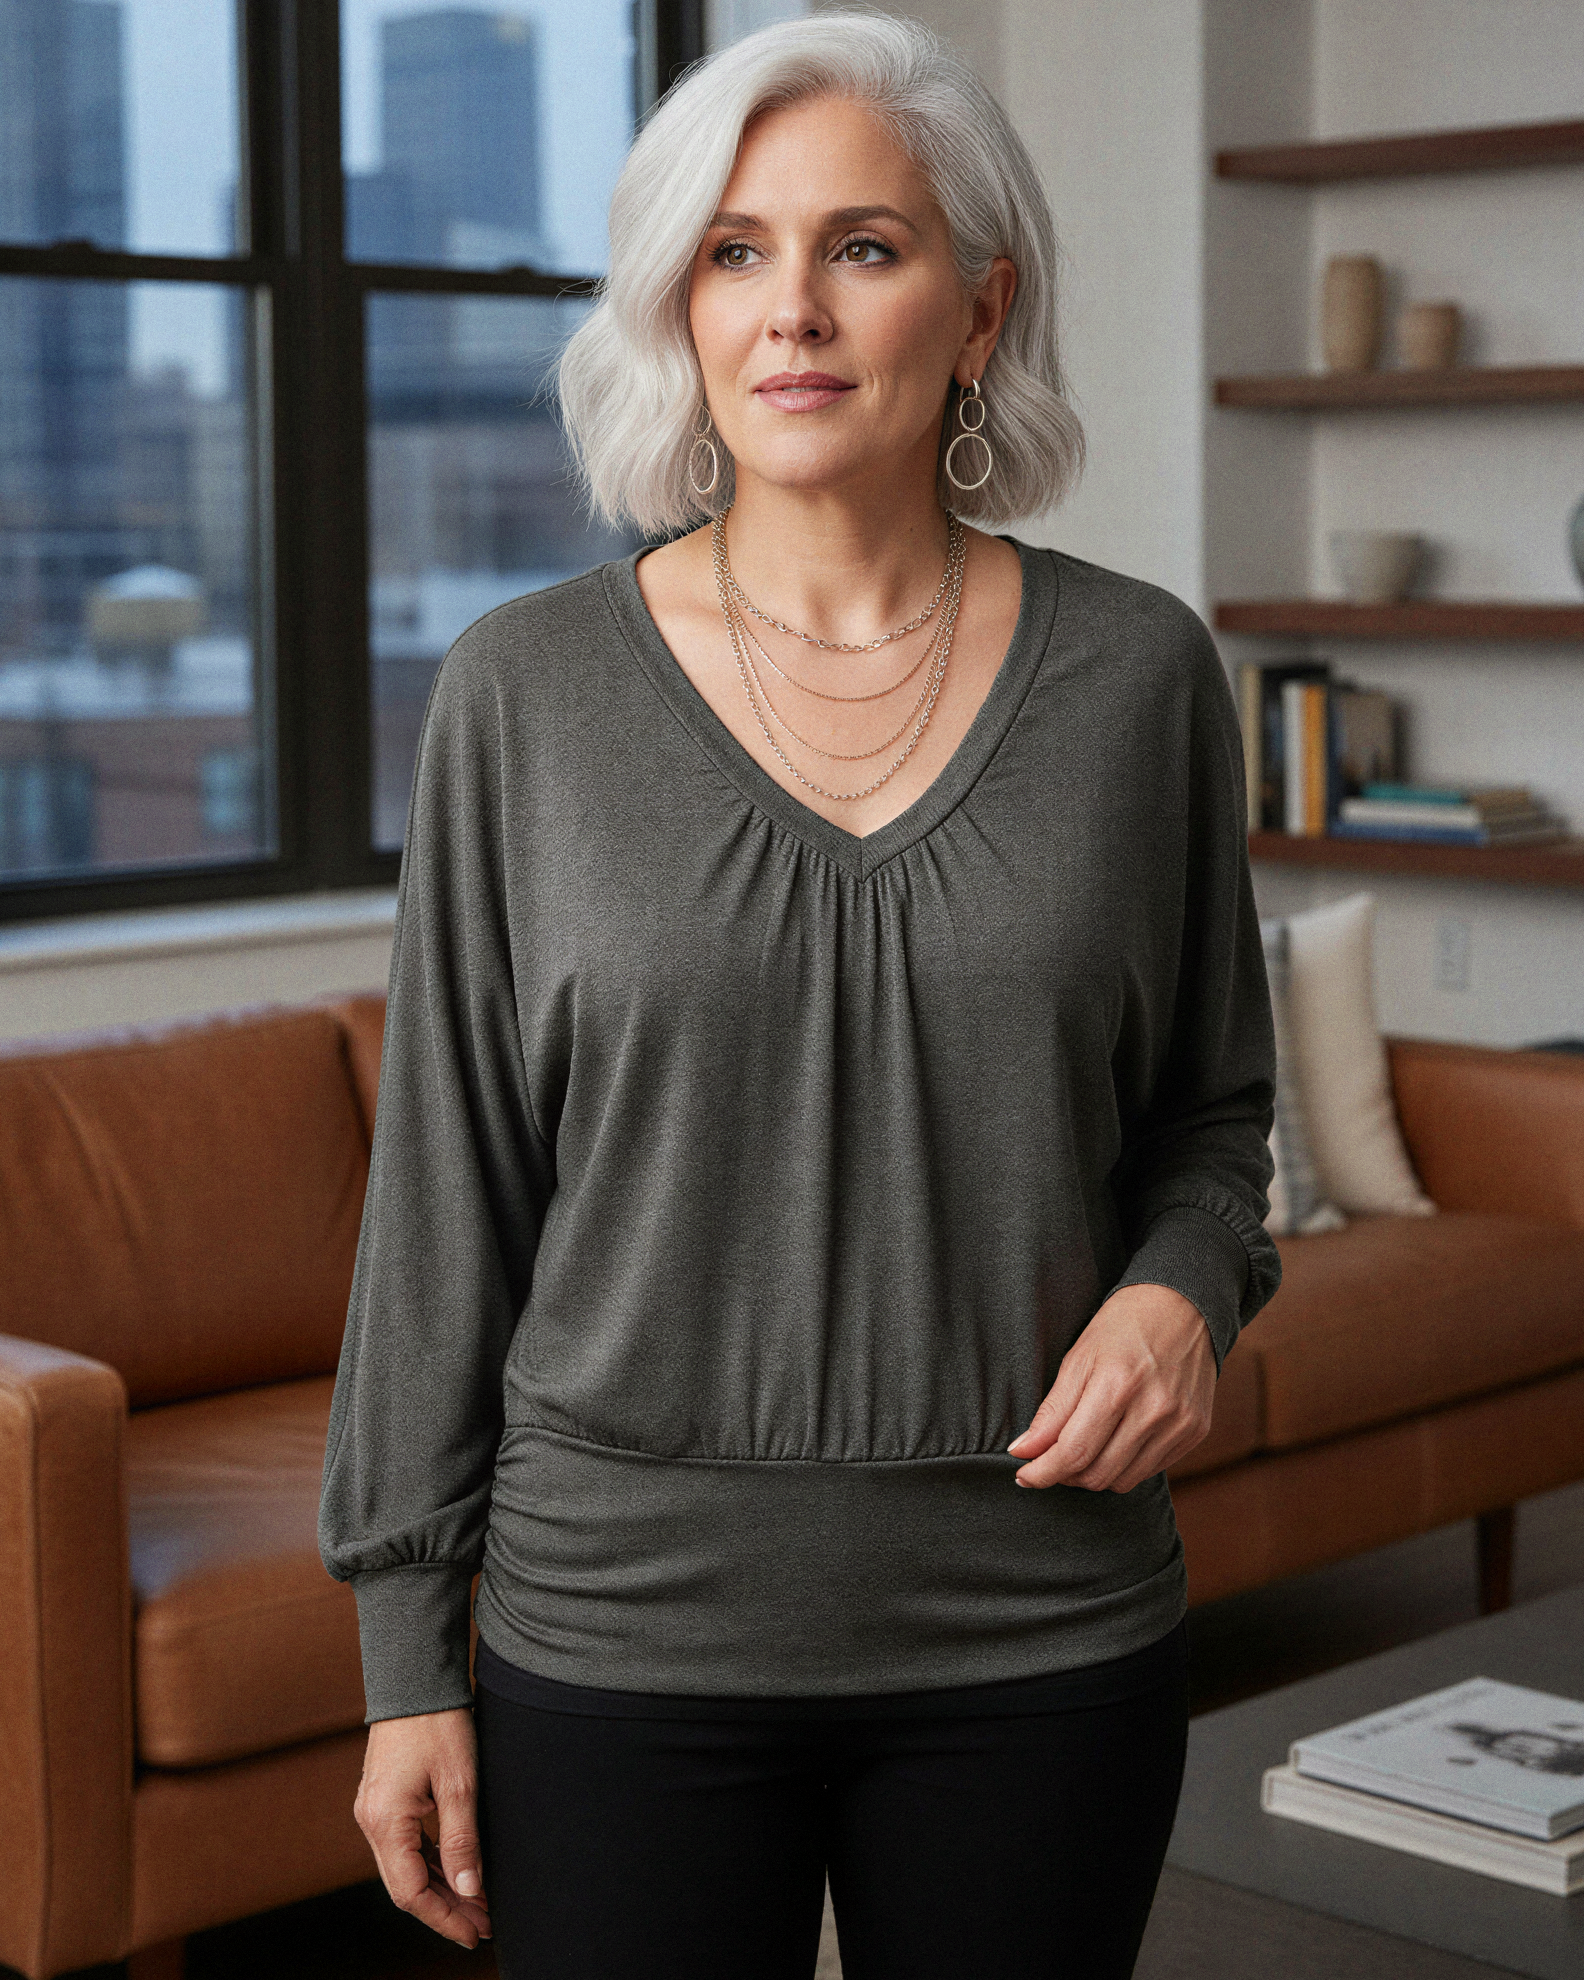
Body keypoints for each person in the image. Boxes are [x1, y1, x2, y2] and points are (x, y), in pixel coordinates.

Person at [318, 14, 1282, 1979]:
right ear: (680, 305)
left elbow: (1210, 1117)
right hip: (622, 1641)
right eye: (734, 250)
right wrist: (408, 1659)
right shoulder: (522, 696)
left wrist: (1188, 1287)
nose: (794, 310)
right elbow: (442, 1208)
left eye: (864, 244)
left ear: (980, 306)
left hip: (1042, 1628)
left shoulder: (1142, 682)